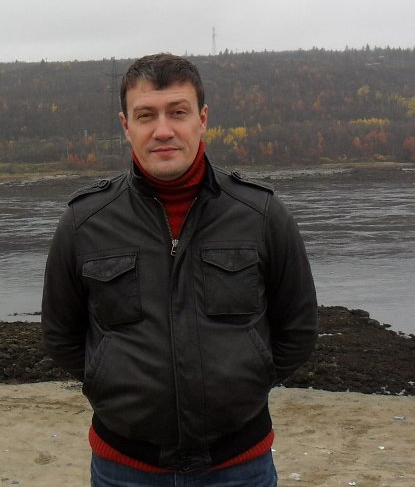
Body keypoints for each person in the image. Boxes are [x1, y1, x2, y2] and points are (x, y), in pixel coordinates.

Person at [42, 53, 318, 486]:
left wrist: (250, 377)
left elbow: (298, 328)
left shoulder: (260, 214)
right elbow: (62, 335)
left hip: (239, 465)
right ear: (126, 126)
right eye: (146, 115)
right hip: (124, 467)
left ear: (202, 119)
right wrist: (109, 379)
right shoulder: (84, 223)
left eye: (178, 112)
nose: (163, 130)